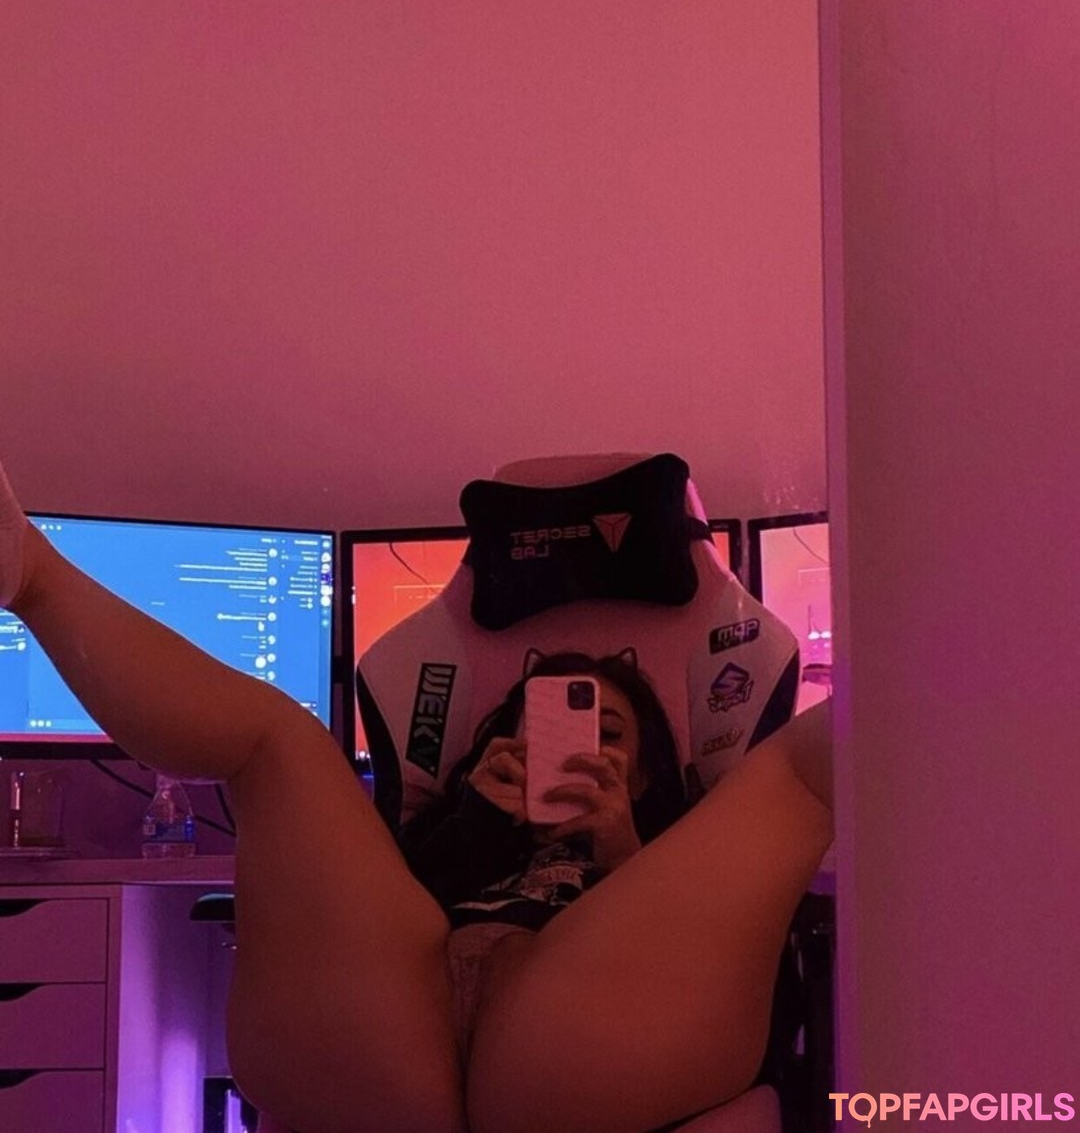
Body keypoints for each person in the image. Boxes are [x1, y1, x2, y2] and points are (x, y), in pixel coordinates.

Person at [0, 460, 833, 1133]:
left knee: (794, 767)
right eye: (539, 731)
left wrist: (621, 846)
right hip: (399, 1026)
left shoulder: (677, 846)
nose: (578, 751)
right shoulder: (458, 819)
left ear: (649, 770)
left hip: (576, 1030)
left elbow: (719, 944)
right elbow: (391, 910)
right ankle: (29, 571)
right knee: (281, 737)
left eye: (608, 734)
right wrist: (477, 818)